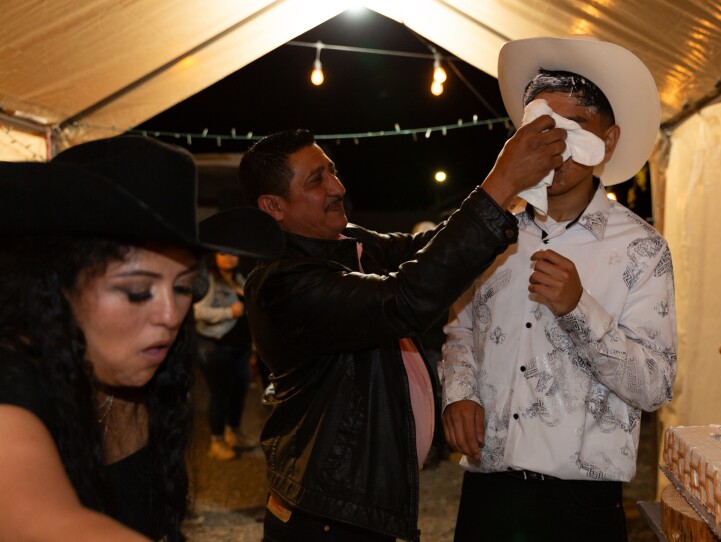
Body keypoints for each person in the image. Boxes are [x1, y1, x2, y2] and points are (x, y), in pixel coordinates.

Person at [238, 124, 567, 542]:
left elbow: (425, 250)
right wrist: (500, 182)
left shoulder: (347, 242)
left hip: (359, 511)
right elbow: (404, 298)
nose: (337, 187)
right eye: (316, 180)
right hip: (327, 516)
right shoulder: (284, 285)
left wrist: (513, 197)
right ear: (273, 206)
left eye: (332, 170)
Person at [439, 36, 677, 541]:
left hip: (581, 512)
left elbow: (656, 385)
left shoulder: (642, 250)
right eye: (541, 129)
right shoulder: (489, 234)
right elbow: (459, 331)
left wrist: (579, 309)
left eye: (574, 129)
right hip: (487, 500)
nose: (555, 147)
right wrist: (458, 393)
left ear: (607, 142)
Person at [0, 136, 282, 541]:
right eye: (136, 291)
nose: (170, 316)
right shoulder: (11, 379)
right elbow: (41, 521)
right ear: (57, 285)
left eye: (184, 288)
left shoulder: (150, 386)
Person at [194, 251, 257, 460]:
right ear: (214, 256)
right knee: (219, 395)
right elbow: (197, 311)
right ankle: (216, 441)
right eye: (223, 253)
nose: (230, 257)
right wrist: (228, 312)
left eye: (233, 254)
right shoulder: (209, 280)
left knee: (239, 392)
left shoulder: (239, 278)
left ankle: (233, 433)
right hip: (217, 347)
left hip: (241, 348)